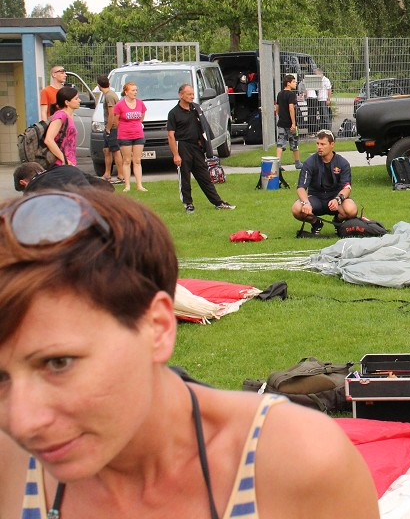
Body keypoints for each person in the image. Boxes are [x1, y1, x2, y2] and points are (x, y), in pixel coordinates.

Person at [0, 190, 379, 518]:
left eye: (58, 363)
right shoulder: (9, 467)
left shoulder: (298, 464)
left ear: (158, 328)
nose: (22, 421)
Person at [167, 84, 235, 213]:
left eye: (193, 94)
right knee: (185, 177)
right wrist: (176, 155)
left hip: (196, 147)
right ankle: (188, 203)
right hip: (182, 146)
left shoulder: (196, 109)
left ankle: (218, 202)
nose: (192, 96)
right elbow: (170, 135)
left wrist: (203, 142)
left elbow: (202, 126)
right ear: (181, 95)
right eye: (189, 94)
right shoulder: (174, 113)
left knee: (204, 176)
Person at [293, 129, 357, 232]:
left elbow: (347, 188)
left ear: (332, 144)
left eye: (323, 144)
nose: (319, 147)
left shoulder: (342, 163)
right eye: (317, 143)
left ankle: (337, 221)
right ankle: (316, 223)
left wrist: (337, 200)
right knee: (296, 209)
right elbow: (301, 188)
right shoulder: (310, 162)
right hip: (316, 198)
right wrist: (306, 203)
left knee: (351, 209)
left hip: (335, 199)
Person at [114, 82, 148, 192]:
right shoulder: (119, 105)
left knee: (137, 160)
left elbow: (141, 117)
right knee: (127, 160)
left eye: (136, 90)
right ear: (126, 92)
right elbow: (116, 120)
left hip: (138, 134)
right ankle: (127, 185)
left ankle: (139, 185)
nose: (135, 92)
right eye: (133, 90)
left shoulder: (140, 103)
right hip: (124, 135)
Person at [13, 161, 113, 194]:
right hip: (97, 210)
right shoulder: (67, 168)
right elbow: (108, 188)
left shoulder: (32, 189)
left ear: (23, 182)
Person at [43, 86, 80, 167]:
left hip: (69, 163)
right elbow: (48, 140)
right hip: (60, 164)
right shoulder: (60, 115)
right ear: (67, 102)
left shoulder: (69, 116)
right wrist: (63, 159)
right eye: (76, 99)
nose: (79, 100)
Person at [96, 76, 122, 183]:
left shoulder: (109, 96)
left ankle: (121, 175)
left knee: (115, 151)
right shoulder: (107, 95)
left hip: (113, 128)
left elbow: (112, 114)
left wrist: (108, 128)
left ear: (98, 85)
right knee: (106, 150)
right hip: (109, 127)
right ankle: (107, 174)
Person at [276, 74, 301, 170]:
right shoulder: (291, 94)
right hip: (290, 124)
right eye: (294, 82)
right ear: (288, 83)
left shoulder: (279, 94)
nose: (296, 83)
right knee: (294, 142)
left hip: (281, 123)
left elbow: (277, 108)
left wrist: (281, 116)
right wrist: (293, 123)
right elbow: (291, 108)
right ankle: (297, 163)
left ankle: (277, 163)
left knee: (280, 142)